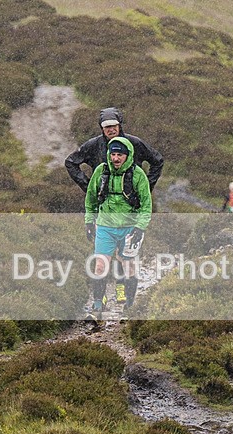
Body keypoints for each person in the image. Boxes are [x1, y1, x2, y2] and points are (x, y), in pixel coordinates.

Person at [67, 107, 163, 304]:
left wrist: (145, 187)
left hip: (129, 212)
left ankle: (122, 293)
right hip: (105, 209)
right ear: (101, 129)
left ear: (120, 125)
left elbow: (158, 161)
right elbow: (70, 162)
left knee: (124, 259)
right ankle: (98, 302)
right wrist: (88, 187)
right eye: (106, 127)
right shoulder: (94, 147)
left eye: (114, 126)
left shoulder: (135, 144)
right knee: (102, 261)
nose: (110, 129)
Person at [84, 137, 152, 320]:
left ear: (127, 156)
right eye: (112, 154)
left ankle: (129, 305)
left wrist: (140, 228)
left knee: (128, 266)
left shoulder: (137, 175)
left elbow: (146, 205)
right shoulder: (101, 171)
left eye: (119, 155)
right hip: (105, 227)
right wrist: (89, 222)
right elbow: (91, 198)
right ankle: (98, 304)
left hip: (129, 229)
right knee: (100, 266)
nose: (115, 158)